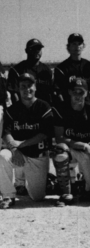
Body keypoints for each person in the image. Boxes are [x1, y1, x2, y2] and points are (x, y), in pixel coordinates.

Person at [0, 73, 53, 209]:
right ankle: (8, 195)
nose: (26, 89)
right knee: (2, 156)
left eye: (30, 85)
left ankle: (47, 181)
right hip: (18, 153)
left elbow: (45, 133)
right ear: (18, 89)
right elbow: (6, 134)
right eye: (23, 86)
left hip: (37, 154)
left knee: (37, 197)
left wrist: (21, 145)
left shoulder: (43, 106)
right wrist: (14, 149)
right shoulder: (12, 110)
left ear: (35, 87)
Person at [52, 77, 90, 207]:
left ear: (87, 93)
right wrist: (83, 145)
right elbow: (59, 138)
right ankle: (65, 192)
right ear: (69, 92)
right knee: (60, 151)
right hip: (72, 148)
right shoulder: (61, 109)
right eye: (74, 91)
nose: (77, 95)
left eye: (81, 92)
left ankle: (82, 185)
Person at [54, 33, 90, 104]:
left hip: (87, 105)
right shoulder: (61, 68)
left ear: (83, 46)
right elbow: (58, 91)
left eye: (79, 44)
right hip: (69, 106)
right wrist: (63, 105)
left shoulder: (89, 65)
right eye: (74, 44)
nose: (77, 46)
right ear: (68, 47)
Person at [7, 39, 53, 104]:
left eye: (39, 49)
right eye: (33, 49)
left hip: (43, 109)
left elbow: (51, 93)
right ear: (26, 51)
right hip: (24, 108)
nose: (36, 51)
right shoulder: (17, 70)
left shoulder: (46, 70)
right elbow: (14, 94)